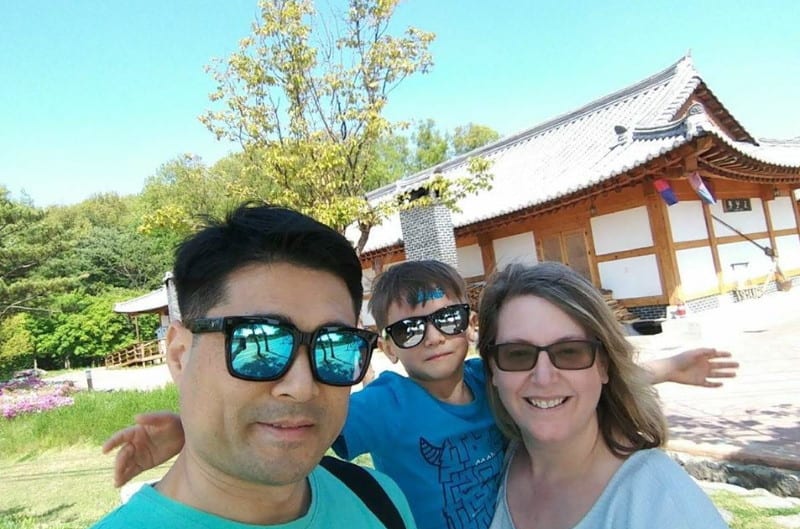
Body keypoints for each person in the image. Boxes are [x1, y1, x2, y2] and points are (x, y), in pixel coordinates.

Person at [103, 260, 737, 529]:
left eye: (447, 321)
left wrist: (670, 364)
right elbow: (293, 425)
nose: (432, 337)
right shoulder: (383, 404)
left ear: (471, 329)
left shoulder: (501, 383)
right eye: (409, 328)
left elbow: (567, 378)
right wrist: (187, 432)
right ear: (387, 346)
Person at [91, 203, 416, 529]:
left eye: (334, 346)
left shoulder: (378, 498)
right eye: (260, 344)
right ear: (179, 353)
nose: (302, 387)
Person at [477, 262, 729, 528]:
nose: (543, 377)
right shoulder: (495, 460)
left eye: (570, 352)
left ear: (604, 365)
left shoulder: (661, 504)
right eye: (517, 354)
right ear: (492, 370)